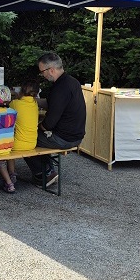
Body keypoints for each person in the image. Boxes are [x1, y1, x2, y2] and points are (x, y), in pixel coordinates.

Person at [26, 52, 86, 187]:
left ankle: (45, 174)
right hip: (77, 135)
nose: (42, 75)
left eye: (42, 72)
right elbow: (52, 103)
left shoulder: (60, 88)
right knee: (34, 136)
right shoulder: (71, 81)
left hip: (64, 138)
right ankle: (49, 169)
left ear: (51, 70)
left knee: (25, 139)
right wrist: (33, 101)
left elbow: (49, 123)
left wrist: (38, 127)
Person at [7, 80, 39, 188]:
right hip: (32, 143)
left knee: (8, 145)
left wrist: (15, 96)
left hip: (18, 145)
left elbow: (8, 111)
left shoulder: (15, 104)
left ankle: (12, 174)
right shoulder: (35, 104)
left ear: (21, 90)